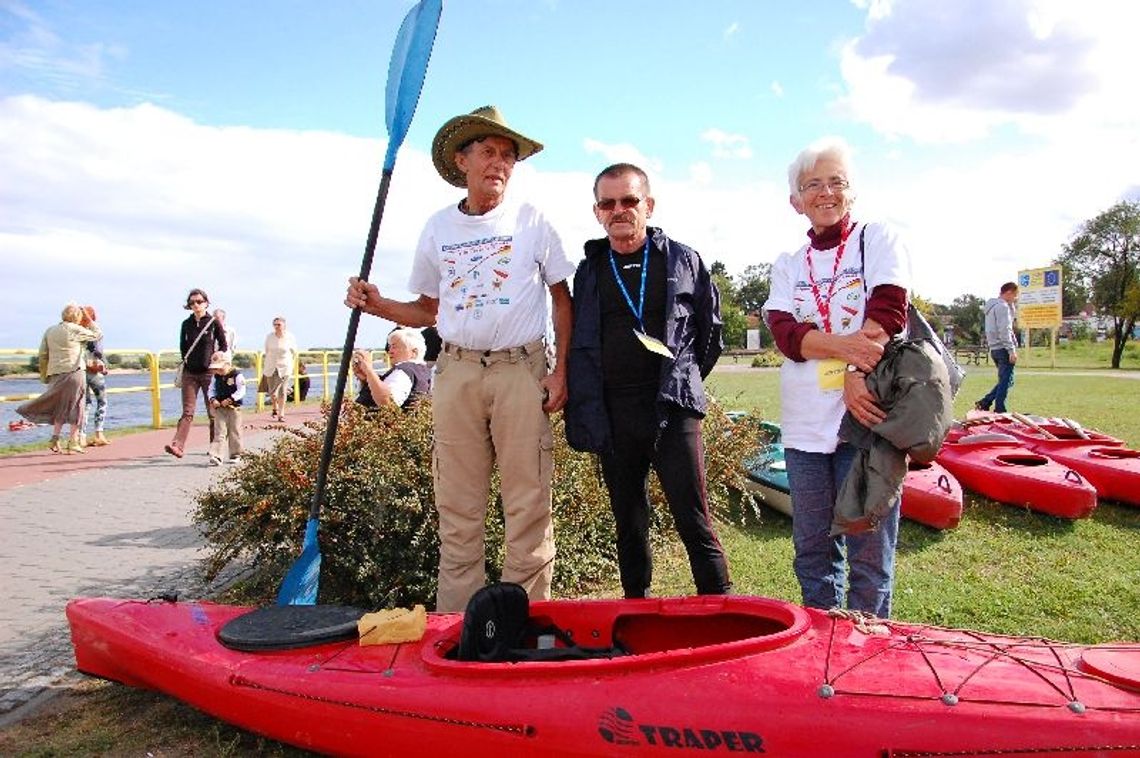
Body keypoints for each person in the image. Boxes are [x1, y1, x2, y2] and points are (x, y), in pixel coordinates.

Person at [344, 104, 573, 612]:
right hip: (458, 370)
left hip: (520, 368)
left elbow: (562, 297)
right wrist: (377, 303)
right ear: (461, 160)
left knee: (528, 503)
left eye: (508, 156)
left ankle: (524, 620)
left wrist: (561, 371)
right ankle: (456, 625)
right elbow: (426, 309)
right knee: (458, 506)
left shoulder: (533, 221)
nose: (500, 164)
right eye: (488, 152)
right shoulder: (437, 228)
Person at [564, 163, 731, 599]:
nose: (619, 210)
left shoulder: (683, 260)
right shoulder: (590, 269)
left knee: (693, 519)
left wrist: (683, 379)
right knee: (629, 523)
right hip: (614, 416)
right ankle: (634, 611)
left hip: (671, 410)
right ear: (597, 211)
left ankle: (722, 612)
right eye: (608, 203)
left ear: (649, 205)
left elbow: (709, 334)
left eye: (629, 200)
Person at [762, 136, 911, 618]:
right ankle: (823, 641)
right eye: (812, 185)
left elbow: (887, 313)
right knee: (812, 548)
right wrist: (847, 348)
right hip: (804, 428)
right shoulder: (788, 264)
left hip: (866, 418)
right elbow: (785, 334)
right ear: (795, 201)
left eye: (836, 182)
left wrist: (851, 372)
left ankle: (868, 646)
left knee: (868, 546)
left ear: (852, 191)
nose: (825, 193)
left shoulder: (878, 239)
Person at [17, 302, 103, 453]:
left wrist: (45, 375)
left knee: (60, 407)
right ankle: (73, 441)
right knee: (78, 406)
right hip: (73, 371)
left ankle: (54, 439)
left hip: (55, 372)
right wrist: (89, 318)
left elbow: (43, 354)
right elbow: (98, 334)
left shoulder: (50, 330)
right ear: (77, 316)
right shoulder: (75, 329)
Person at [165, 288, 228, 458]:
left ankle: (215, 448)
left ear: (206, 303)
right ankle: (177, 446)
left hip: (208, 372)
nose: (196, 305)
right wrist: (188, 362)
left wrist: (218, 353)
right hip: (190, 373)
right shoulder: (186, 324)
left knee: (212, 411)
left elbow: (223, 345)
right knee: (187, 412)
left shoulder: (214, 322)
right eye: (192, 302)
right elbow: (183, 348)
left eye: (199, 301)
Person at [352, 328, 432, 410]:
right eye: (390, 347)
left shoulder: (403, 371)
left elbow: (387, 403)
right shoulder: (421, 371)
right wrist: (367, 379)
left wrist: (369, 370)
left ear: (414, 352)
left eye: (394, 347)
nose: (390, 351)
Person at [976, 282, 1019, 413]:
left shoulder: (993, 307)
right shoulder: (1002, 307)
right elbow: (1004, 329)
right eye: (1015, 295)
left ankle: (986, 401)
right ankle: (999, 408)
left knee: (1007, 380)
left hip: (994, 349)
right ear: (1009, 292)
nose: (1015, 298)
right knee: (1006, 381)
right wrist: (1011, 350)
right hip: (1003, 348)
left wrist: (1012, 307)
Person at [206, 350, 246, 465]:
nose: (218, 371)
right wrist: (213, 399)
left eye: (220, 368)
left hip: (234, 407)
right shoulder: (216, 377)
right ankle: (217, 455)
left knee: (235, 430)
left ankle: (236, 454)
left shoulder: (237, 375)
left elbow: (241, 390)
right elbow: (211, 389)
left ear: (227, 364)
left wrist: (231, 399)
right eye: (215, 369)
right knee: (219, 431)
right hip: (220, 408)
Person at [81, 305, 110, 447]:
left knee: (85, 404)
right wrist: (103, 364)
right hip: (94, 371)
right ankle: (99, 433)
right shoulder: (95, 332)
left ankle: (82, 436)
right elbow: (99, 351)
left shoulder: (77, 332)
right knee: (102, 401)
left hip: (82, 372)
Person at [262, 316, 298, 421]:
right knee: (272, 393)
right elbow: (267, 350)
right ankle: (274, 406)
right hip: (271, 366)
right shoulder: (270, 337)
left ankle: (281, 414)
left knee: (282, 391)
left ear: (284, 325)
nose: (277, 327)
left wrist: (291, 364)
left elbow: (294, 352)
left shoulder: (290, 337)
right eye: (275, 325)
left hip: (284, 366)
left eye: (279, 325)